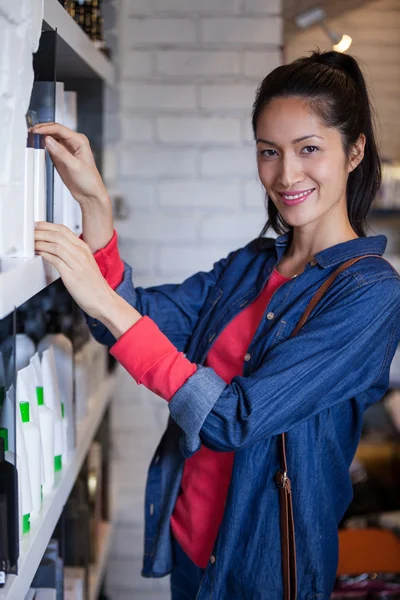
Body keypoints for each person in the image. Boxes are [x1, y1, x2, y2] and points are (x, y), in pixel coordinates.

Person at [32, 49, 400, 599]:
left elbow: (233, 418)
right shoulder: (252, 264)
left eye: (309, 149)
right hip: (189, 540)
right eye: (269, 152)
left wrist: (104, 301)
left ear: (354, 152)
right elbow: (138, 324)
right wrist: (94, 203)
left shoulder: (369, 293)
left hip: (259, 570)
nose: (286, 173)